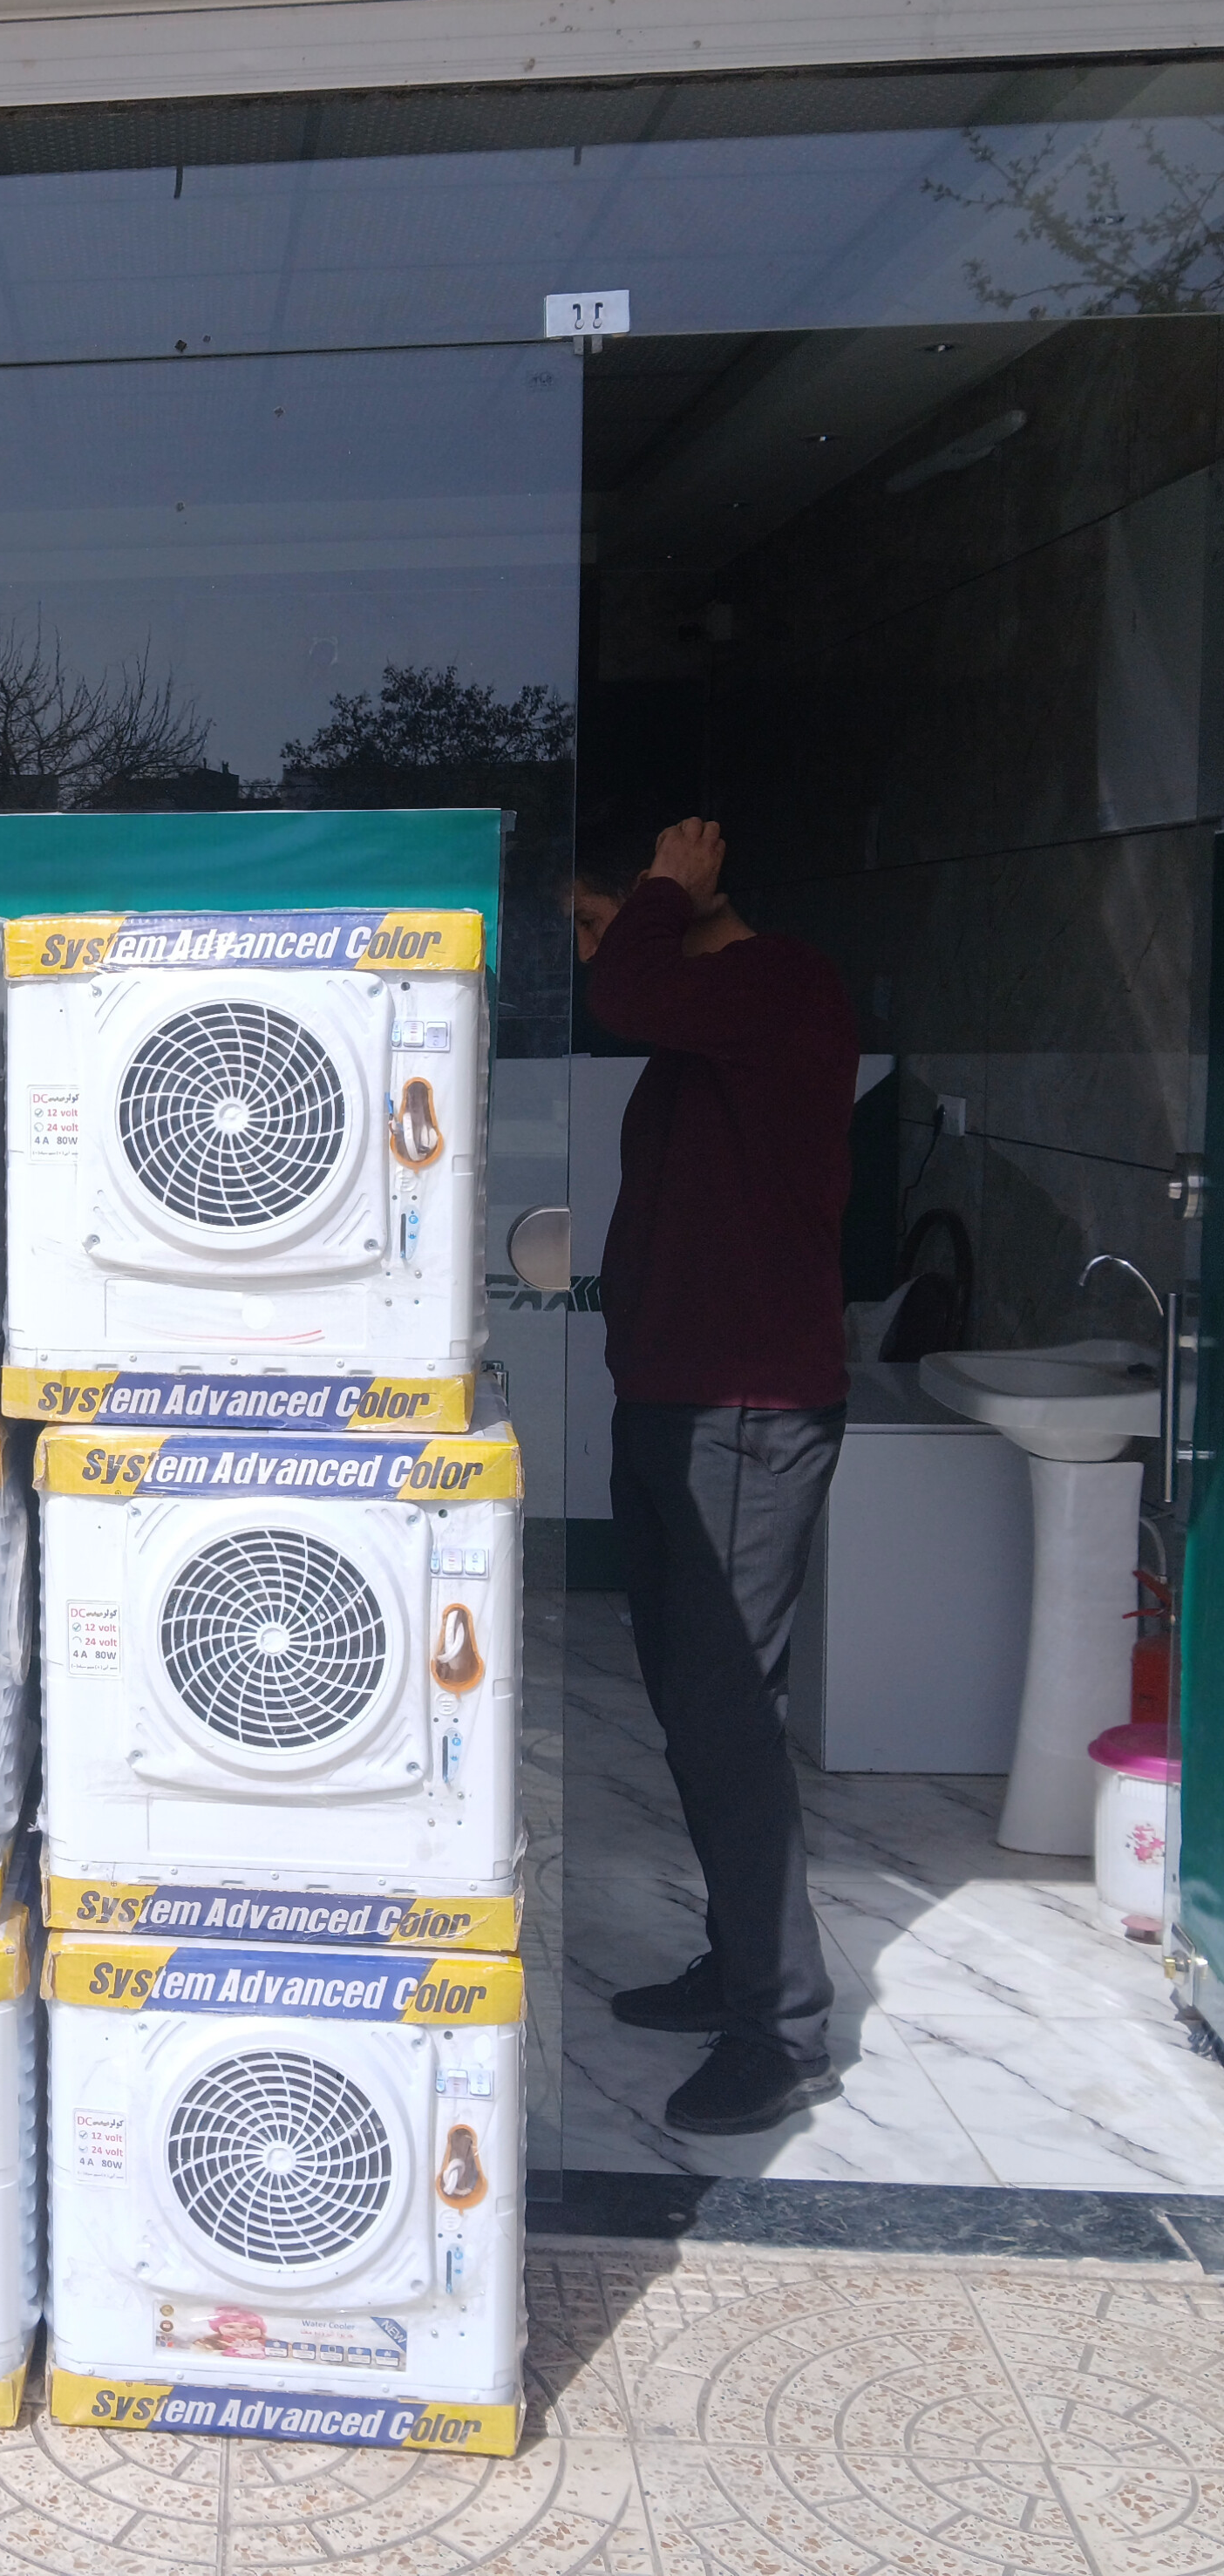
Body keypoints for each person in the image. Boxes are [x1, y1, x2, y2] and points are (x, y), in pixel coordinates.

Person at [573, 812, 860, 2137]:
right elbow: (639, 995)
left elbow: (630, 994)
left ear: (691, 875)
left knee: (731, 1719)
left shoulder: (782, 982)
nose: (602, 944)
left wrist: (657, 895)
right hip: (681, 1402)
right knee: (696, 1713)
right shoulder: (717, 1020)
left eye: (607, 910)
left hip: (745, 1415)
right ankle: (741, 1966)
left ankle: (781, 2030)